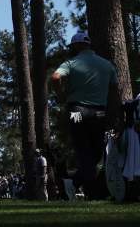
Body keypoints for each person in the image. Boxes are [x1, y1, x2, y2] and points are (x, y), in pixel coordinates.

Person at [51, 31, 122, 200]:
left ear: (76, 46)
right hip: (99, 112)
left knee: (82, 147)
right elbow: (114, 87)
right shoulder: (107, 64)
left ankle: (74, 183)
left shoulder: (71, 62)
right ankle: (79, 185)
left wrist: (61, 95)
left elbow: (55, 77)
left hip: (76, 111)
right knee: (96, 152)